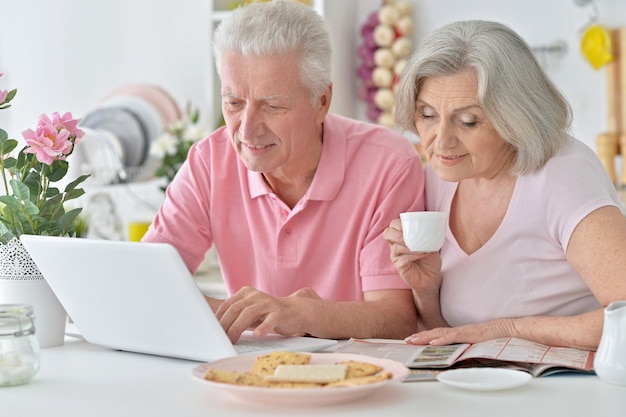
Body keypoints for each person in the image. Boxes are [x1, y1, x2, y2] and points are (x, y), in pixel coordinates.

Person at [142, 0, 424, 343]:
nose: (246, 130)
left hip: (357, 377)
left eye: (272, 106)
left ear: (321, 102)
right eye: (233, 103)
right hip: (247, 375)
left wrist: (299, 313)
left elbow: (397, 319)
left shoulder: (388, 163)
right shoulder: (208, 161)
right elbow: (149, 281)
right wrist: (255, 314)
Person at [383, 20, 626, 351]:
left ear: (515, 117)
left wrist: (508, 328)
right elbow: (450, 336)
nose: (440, 141)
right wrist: (426, 291)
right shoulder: (440, 177)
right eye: (427, 115)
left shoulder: (562, 176)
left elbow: (623, 315)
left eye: (468, 121)